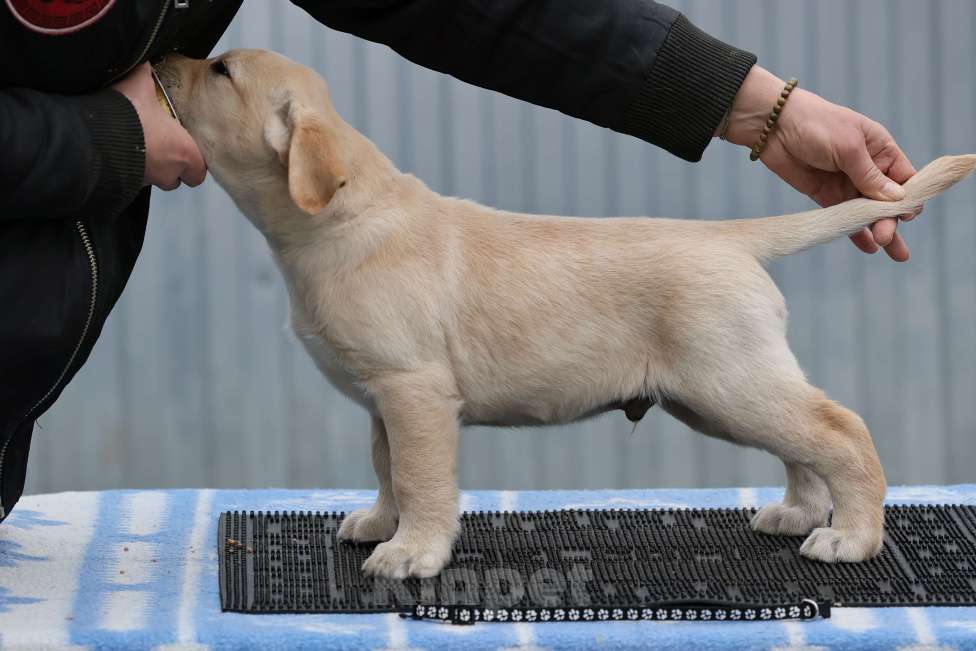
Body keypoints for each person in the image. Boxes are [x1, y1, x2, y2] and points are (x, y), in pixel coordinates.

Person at [0, 0, 917, 522]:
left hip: (674, 289)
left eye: (220, 74)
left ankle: (844, 476)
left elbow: (485, 7)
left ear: (304, 156)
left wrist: (751, 104)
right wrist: (105, 136)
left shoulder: (358, 240)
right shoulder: (345, 253)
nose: (182, 68)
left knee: (749, 401)